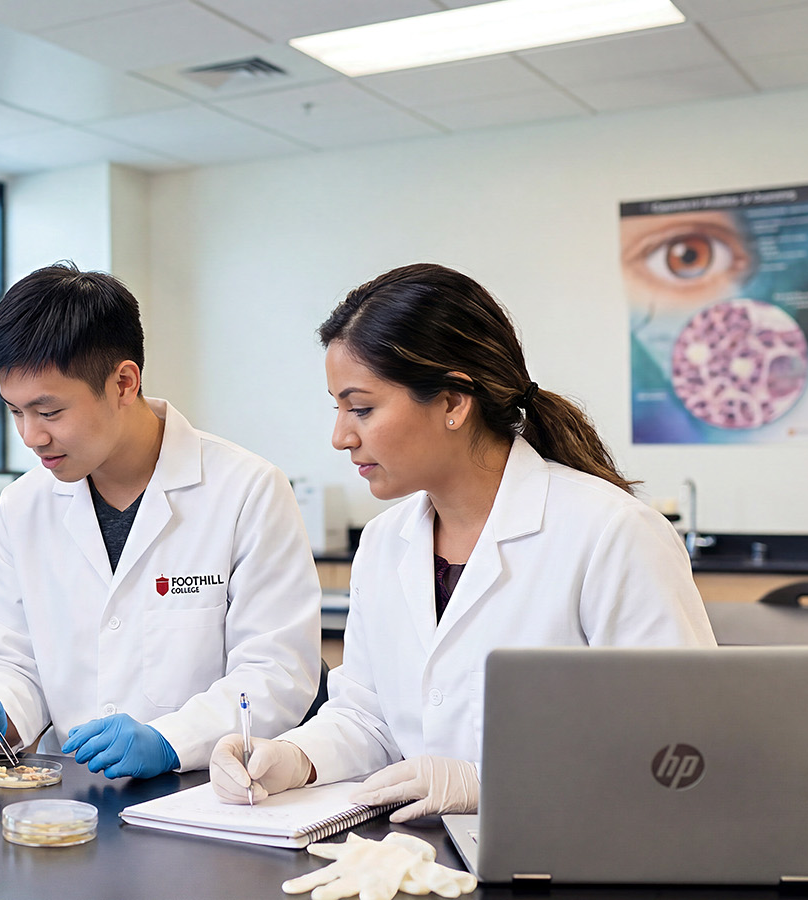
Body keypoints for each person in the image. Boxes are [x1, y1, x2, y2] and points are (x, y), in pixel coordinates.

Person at [209, 263, 716, 821]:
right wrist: (294, 757)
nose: (340, 437)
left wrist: (491, 784)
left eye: (362, 408)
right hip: (417, 851)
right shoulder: (384, 543)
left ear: (453, 402)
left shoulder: (612, 533)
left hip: (566, 848)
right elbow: (367, 716)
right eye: (339, 408)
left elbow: (680, 747)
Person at [0, 263, 321, 779]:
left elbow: (276, 672)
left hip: (203, 791)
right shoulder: (22, 505)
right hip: (68, 796)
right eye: (15, 412)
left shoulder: (247, 490)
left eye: (49, 413)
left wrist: (171, 740)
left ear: (123, 382)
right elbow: (14, 656)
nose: (30, 437)